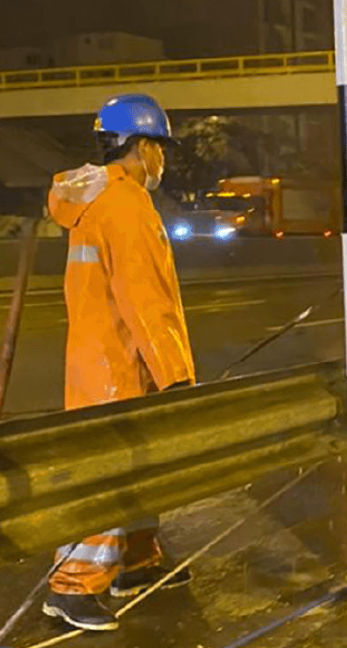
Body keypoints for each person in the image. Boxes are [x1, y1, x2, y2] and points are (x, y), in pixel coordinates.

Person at [42, 94, 195, 631]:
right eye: (162, 151)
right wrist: (176, 375)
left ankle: (136, 562)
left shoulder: (95, 201)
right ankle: (72, 587)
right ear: (145, 147)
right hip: (119, 367)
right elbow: (145, 298)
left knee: (137, 466)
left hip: (103, 359)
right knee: (107, 473)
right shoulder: (127, 204)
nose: (164, 163)